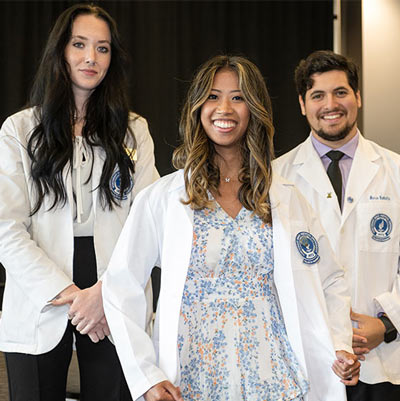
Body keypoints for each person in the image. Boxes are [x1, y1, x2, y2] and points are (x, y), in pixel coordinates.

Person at [98, 55, 359, 401]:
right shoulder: (162, 199)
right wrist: (145, 375)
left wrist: (340, 344)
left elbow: (330, 278)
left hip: (275, 382)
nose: (225, 108)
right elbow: (121, 286)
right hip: (191, 383)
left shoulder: (285, 198)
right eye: (212, 96)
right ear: (196, 108)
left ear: (254, 109)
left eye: (238, 97)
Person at [0, 3, 158, 401]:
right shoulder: (19, 130)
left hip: (114, 286)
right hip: (42, 286)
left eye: (102, 48)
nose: (91, 58)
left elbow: (150, 224)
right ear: (60, 51)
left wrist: (105, 292)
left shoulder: (134, 130)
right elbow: (6, 228)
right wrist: (73, 296)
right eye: (79, 44)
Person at [273, 50, 400, 400]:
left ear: (358, 97)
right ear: (302, 104)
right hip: (307, 366)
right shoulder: (274, 178)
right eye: (317, 95)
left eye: (341, 92)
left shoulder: (396, 171)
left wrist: (387, 324)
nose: (331, 104)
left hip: (383, 365)